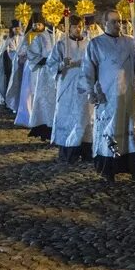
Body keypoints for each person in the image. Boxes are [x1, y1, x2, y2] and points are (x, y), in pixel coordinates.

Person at [84, 9, 135, 182]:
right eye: (113, 21)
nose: (118, 24)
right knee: (109, 129)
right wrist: (91, 91)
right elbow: (88, 69)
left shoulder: (130, 42)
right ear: (104, 23)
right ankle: (108, 169)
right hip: (107, 94)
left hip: (127, 94)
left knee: (130, 128)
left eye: (119, 21)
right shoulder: (95, 44)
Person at [49, 16, 93, 162]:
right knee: (68, 116)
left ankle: (87, 151)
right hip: (67, 85)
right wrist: (62, 64)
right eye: (74, 27)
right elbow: (50, 65)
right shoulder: (61, 44)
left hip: (85, 85)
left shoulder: (89, 44)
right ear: (69, 28)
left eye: (80, 26)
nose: (77, 29)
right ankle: (68, 152)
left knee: (85, 116)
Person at [24, 22, 56, 140]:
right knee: (44, 102)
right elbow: (31, 52)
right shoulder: (41, 36)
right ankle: (45, 130)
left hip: (61, 74)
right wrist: (44, 60)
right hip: (46, 74)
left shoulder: (64, 36)